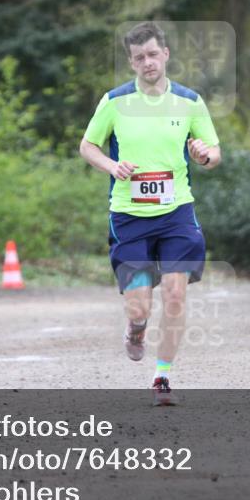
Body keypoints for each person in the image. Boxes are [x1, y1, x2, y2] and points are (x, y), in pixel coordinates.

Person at [79, 21, 221, 406]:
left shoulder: (190, 102)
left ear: (166, 55)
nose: (147, 62)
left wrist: (204, 155)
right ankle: (136, 327)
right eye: (139, 57)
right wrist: (112, 167)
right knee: (140, 303)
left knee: (175, 294)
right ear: (131, 62)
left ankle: (162, 376)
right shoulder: (114, 102)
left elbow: (213, 151)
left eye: (153, 54)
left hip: (177, 213)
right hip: (129, 216)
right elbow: (88, 145)